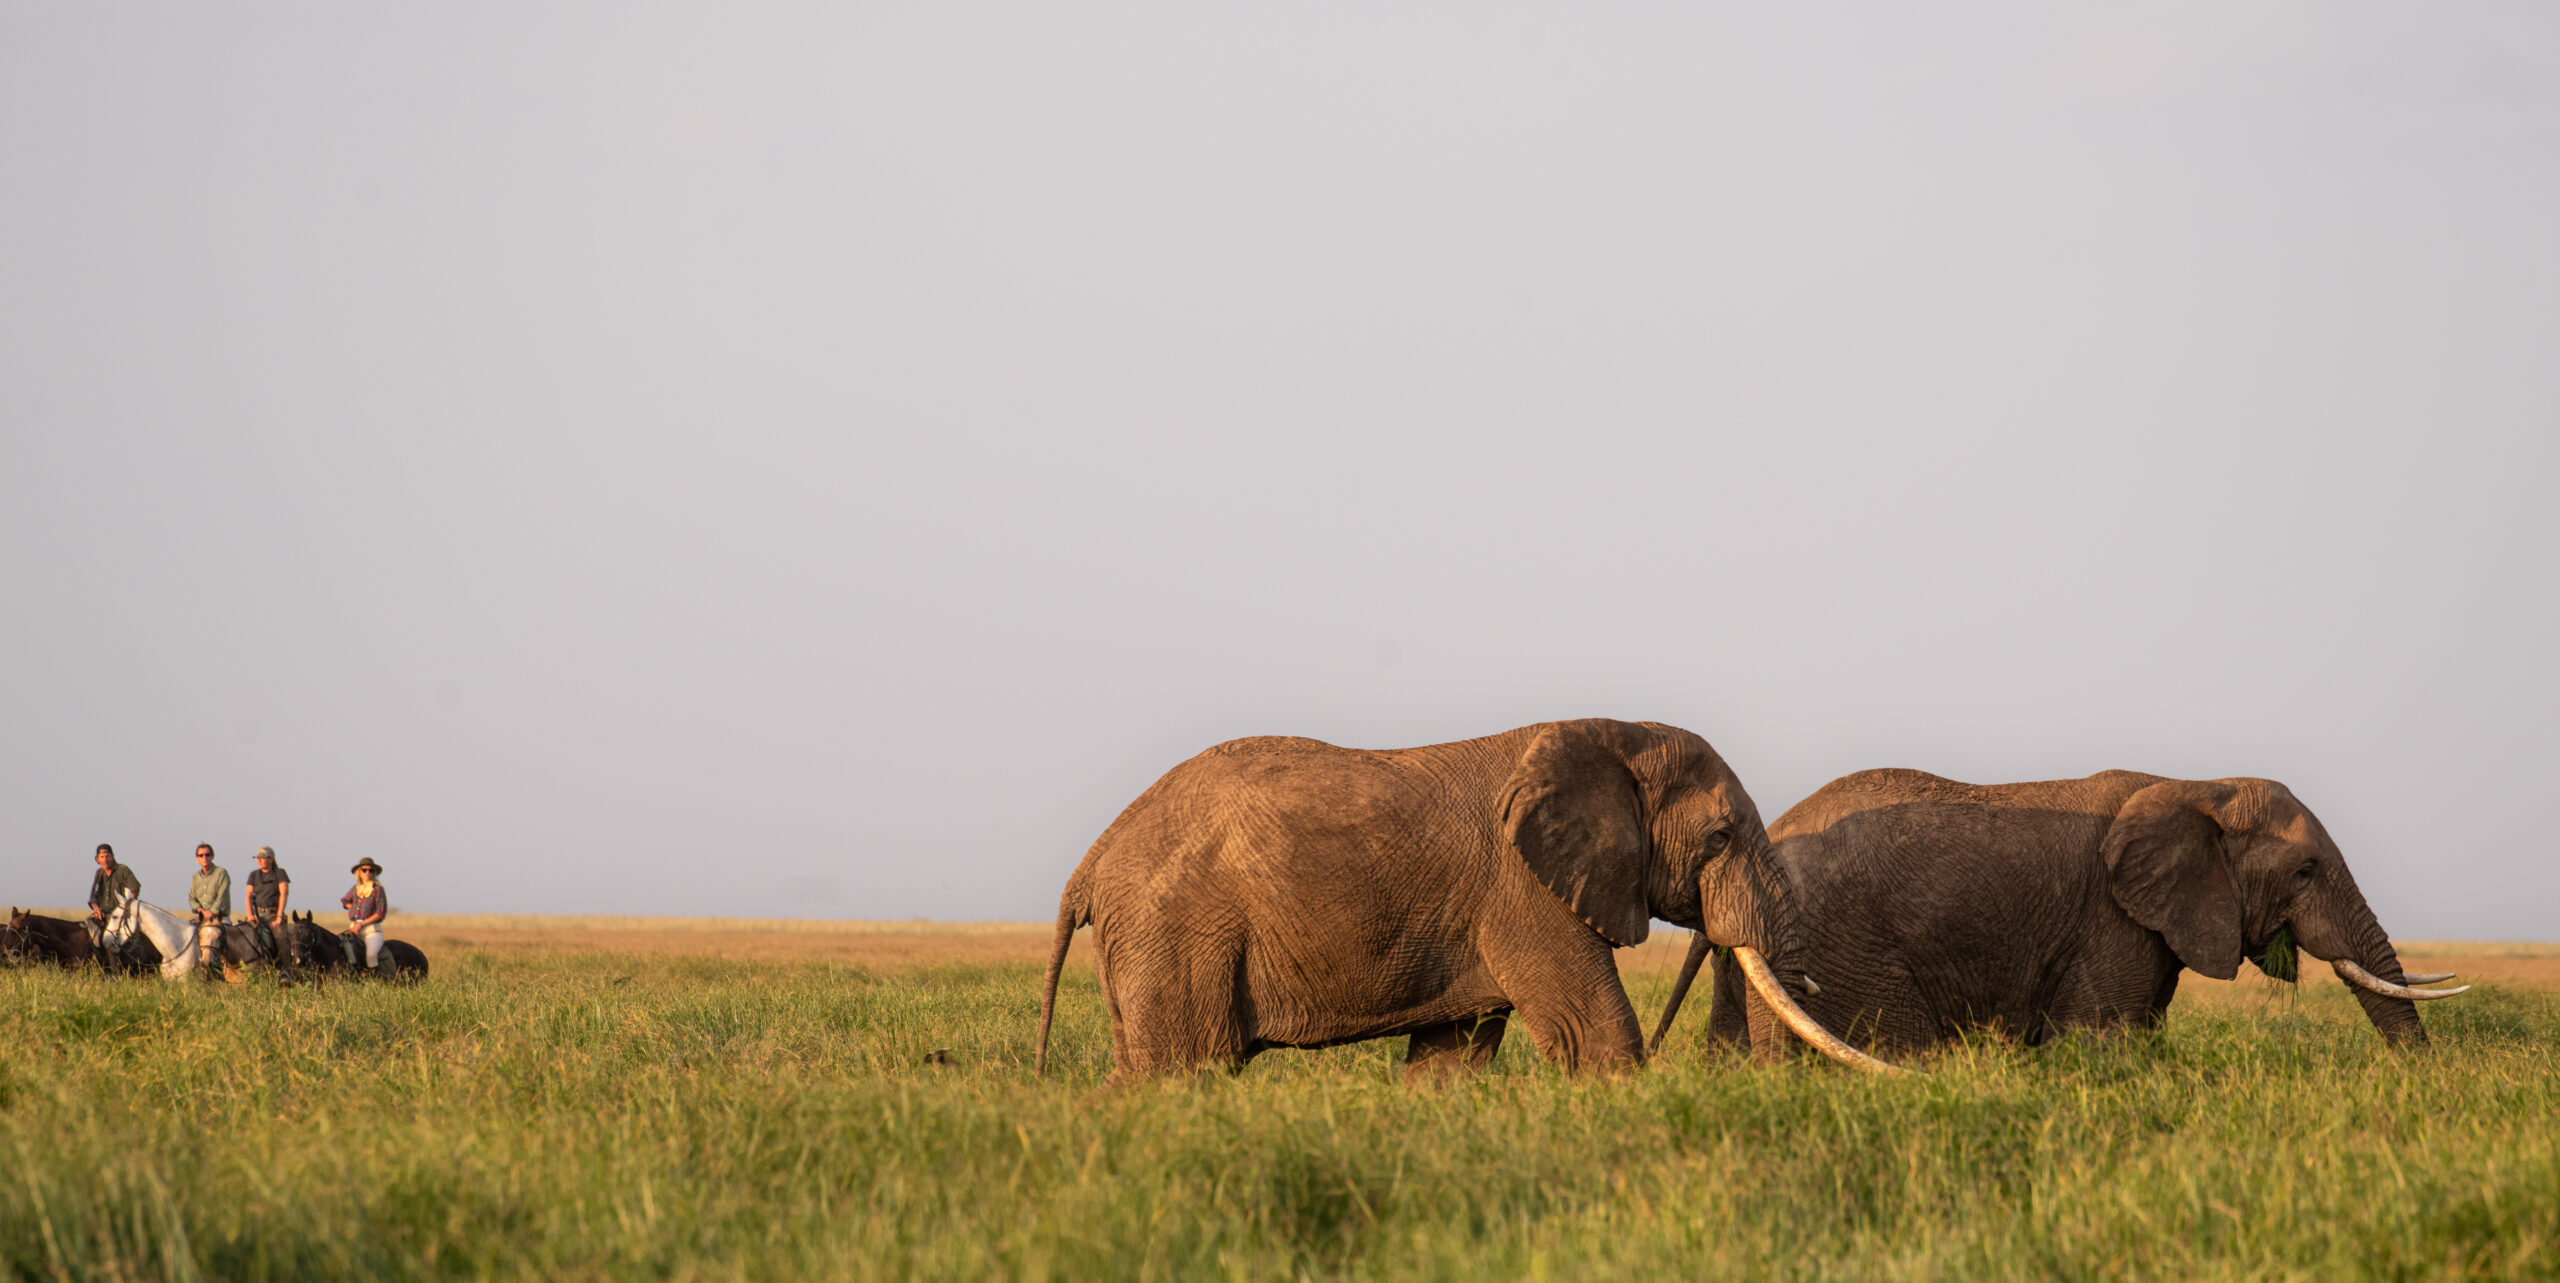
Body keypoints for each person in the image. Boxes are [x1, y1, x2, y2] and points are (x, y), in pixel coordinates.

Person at [341, 858, 392, 976]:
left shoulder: (378, 890)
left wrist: (361, 924)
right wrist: (352, 906)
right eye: (364, 870)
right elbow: (344, 901)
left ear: (375, 873)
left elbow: (380, 913)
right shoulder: (355, 889)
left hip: (371, 930)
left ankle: (375, 980)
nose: (368, 873)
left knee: (371, 955)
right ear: (359, 872)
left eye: (371, 871)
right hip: (353, 928)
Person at [188, 843, 231, 980]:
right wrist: (201, 910)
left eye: (207, 854)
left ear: (212, 856)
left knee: (224, 942)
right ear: (197, 858)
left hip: (219, 918)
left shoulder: (221, 873)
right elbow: (192, 899)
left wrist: (211, 912)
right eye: (201, 855)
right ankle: (193, 971)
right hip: (202, 918)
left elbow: (222, 896)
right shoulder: (196, 877)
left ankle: (225, 972)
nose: (204, 857)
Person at [87, 844, 141, 938]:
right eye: (102, 857)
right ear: (97, 859)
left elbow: (134, 889)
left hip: (121, 916)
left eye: (107, 856)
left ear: (113, 857)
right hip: (104, 915)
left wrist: (127, 907)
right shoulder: (99, 873)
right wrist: (97, 910)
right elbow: (93, 898)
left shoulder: (123, 870)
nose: (105, 860)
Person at [245, 845, 290, 957]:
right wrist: (250, 915)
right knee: (243, 935)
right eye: (258, 858)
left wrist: (279, 916)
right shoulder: (254, 875)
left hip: (273, 914)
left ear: (271, 859)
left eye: (262, 858)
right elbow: (248, 895)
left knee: (281, 939)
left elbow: (284, 893)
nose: (259, 861)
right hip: (257, 915)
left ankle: (285, 970)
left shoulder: (279, 873)